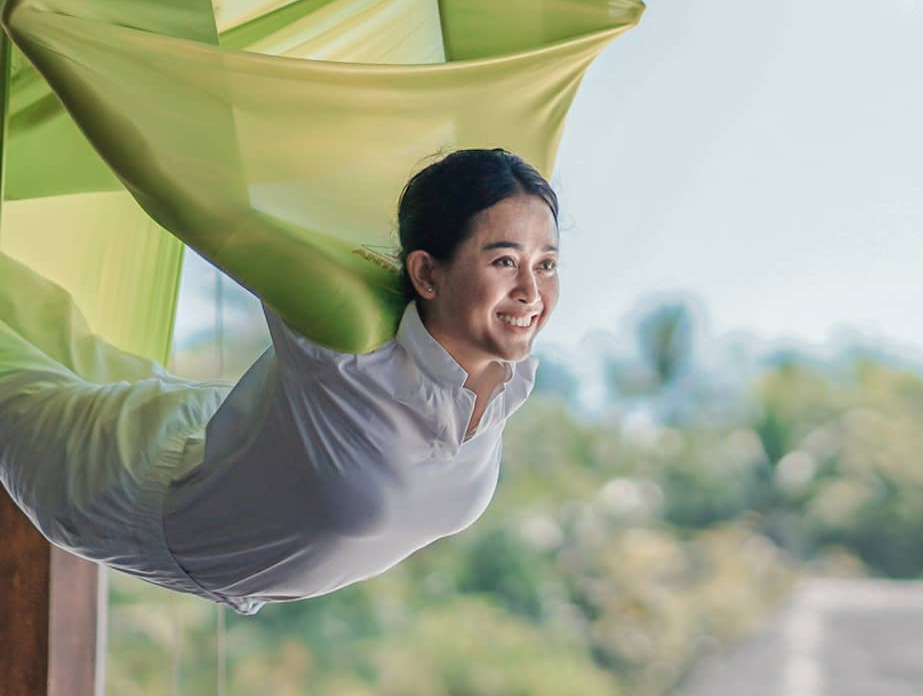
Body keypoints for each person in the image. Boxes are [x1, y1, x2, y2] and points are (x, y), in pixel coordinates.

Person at [0, 147, 557, 612]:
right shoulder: (344, 334)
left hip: (211, 437)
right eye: (504, 262)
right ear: (426, 273)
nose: (532, 293)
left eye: (547, 264)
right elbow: (201, 200)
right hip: (121, 492)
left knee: (41, 318)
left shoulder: (511, 379)